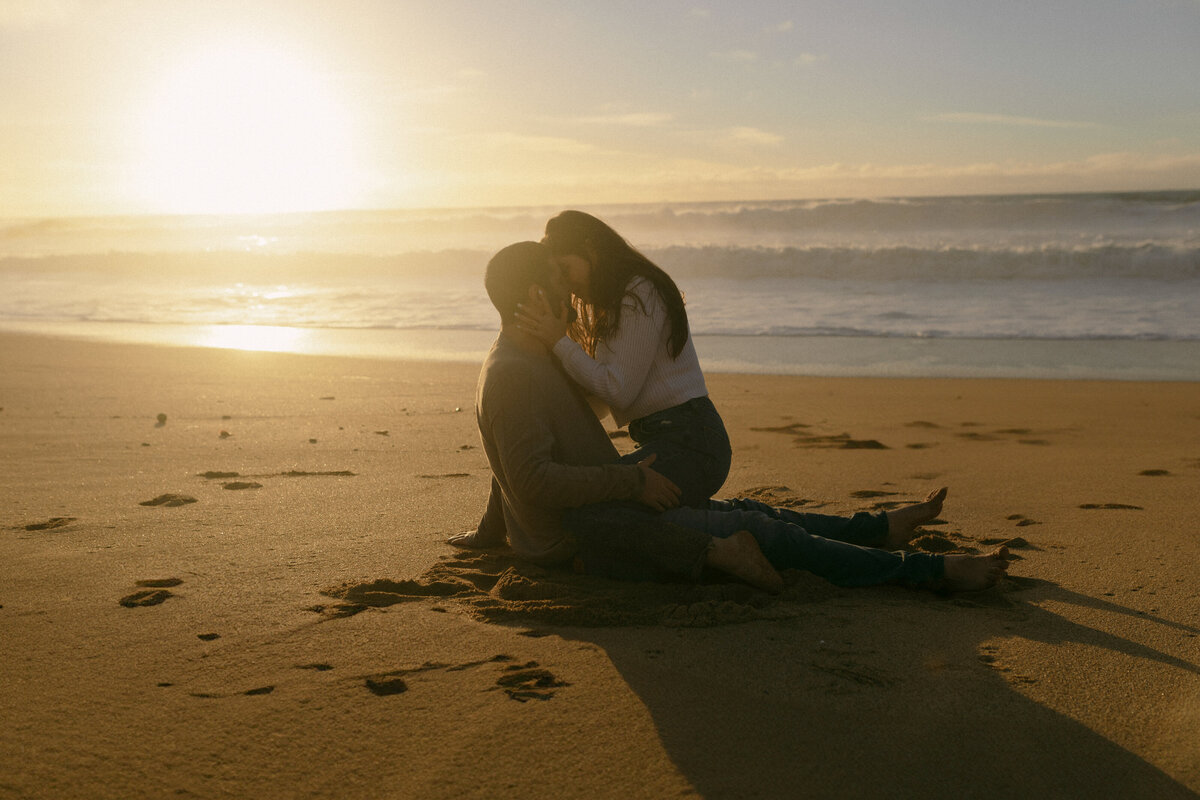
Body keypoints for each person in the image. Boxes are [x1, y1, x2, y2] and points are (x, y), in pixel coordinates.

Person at [449, 241, 1010, 594]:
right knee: (758, 531)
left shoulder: (529, 359)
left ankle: (880, 531)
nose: (572, 293)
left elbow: (511, 462)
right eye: (558, 283)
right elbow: (529, 478)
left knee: (743, 511)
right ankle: (931, 573)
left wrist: (489, 533)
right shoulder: (515, 374)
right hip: (592, 528)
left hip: (600, 511)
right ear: (533, 295)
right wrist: (633, 479)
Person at [514, 210, 729, 508]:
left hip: (693, 444)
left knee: (595, 508)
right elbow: (603, 401)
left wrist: (558, 341)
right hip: (669, 439)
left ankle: (756, 533)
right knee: (601, 501)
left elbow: (618, 391)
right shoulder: (613, 302)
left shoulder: (639, 291)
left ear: (589, 248)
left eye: (565, 268)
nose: (566, 283)